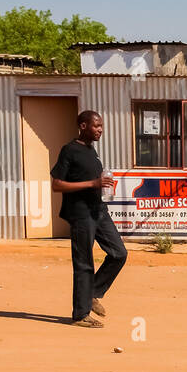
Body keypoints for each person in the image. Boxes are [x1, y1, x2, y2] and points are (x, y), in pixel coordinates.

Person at [50, 111, 126, 328]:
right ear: (83, 126)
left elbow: (95, 181)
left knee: (119, 253)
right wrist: (93, 184)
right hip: (80, 214)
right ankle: (80, 314)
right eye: (96, 126)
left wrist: (102, 186)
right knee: (84, 263)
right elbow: (57, 185)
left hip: (98, 210)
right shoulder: (69, 150)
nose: (100, 129)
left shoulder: (92, 151)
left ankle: (93, 292)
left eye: (101, 126)